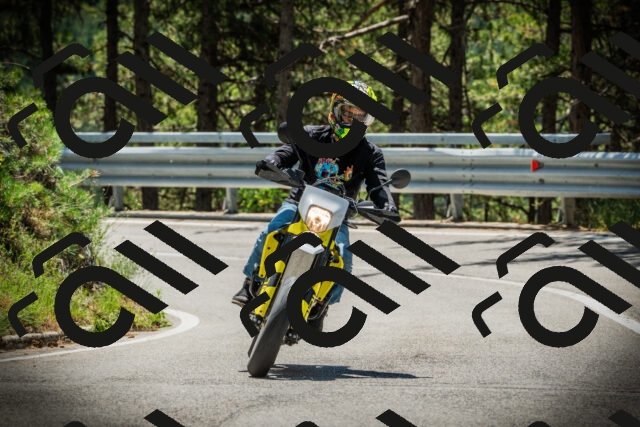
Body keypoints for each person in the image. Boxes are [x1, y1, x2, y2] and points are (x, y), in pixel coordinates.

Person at [231, 80, 399, 323]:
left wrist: (387, 205)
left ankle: (321, 305)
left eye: (359, 116)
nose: (353, 120)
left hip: (338, 216)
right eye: (348, 113)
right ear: (335, 111)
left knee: (343, 258)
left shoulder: (370, 152)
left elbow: (378, 184)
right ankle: (251, 283)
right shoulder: (311, 135)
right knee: (273, 229)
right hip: (299, 204)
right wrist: (272, 162)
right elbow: (286, 152)